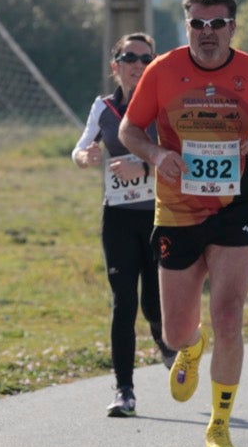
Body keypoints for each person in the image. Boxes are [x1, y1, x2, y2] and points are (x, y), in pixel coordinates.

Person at [119, 0, 248, 447]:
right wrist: (158, 154)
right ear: (187, 27)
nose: (207, 33)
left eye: (216, 23)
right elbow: (129, 129)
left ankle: (219, 426)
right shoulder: (162, 71)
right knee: (175, 332)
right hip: (177, 211)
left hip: (234, 210)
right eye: (197, 23)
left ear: (232, 27)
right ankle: (191, 347)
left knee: (229, 315)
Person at [71, 32, 174, 418]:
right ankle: (124, 390)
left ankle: (166, 343)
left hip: (162, 215)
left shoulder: (165, 107)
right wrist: (86, 155)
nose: (137, 65)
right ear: (115, 66)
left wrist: (143, 166)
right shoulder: (104, 108)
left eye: (146, 58)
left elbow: (182, 157)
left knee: (154, 301)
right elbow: (80, 148)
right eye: (128, 58)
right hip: (117, 216)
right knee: (123, 301)